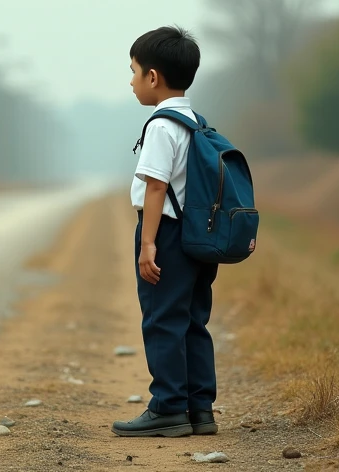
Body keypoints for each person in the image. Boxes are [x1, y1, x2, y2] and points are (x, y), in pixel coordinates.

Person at [112, 25, 218, 438]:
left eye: (134, 71)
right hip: (197, 236)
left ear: (153, 77)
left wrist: (148, 244)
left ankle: (168, 407)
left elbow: (156, 187)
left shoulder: (160, 125)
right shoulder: (196, 122)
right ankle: (200, 410)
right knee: (192, 321)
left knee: (162, 320)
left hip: (168, 235)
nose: (132, 81)